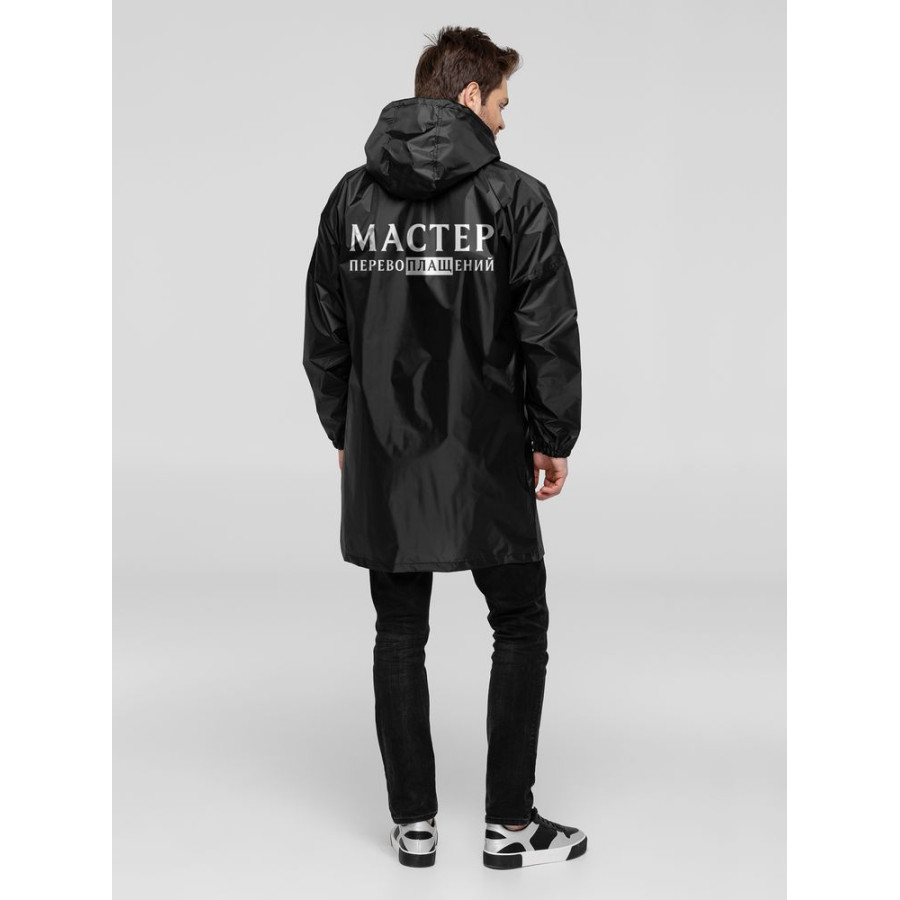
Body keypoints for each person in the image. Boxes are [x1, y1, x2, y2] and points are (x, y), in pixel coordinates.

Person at [303, 25, 586, 869]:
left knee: (399, 630)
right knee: (520, 621)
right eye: (500, 103)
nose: (503, 121)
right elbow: (547, 332)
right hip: (488, 453)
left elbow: (324, 337)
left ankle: (413, 825)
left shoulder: (351, 201)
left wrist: (347, 431)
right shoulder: (517, 199)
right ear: (468, 96)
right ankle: (510, 826)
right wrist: (552, 435)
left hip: (387, 457)